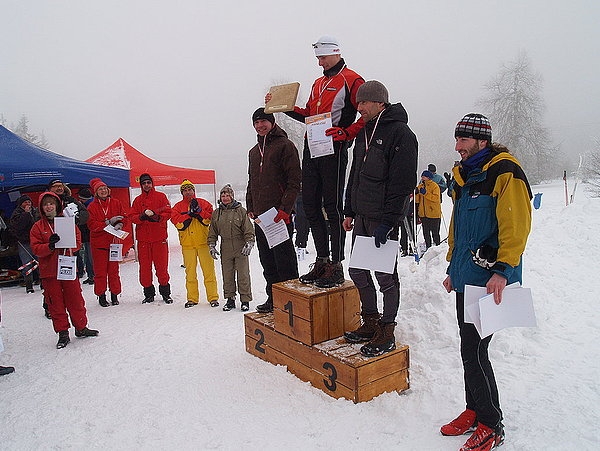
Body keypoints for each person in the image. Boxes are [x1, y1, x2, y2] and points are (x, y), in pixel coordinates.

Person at [441, 113, 532, 451]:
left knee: (476, 350)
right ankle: (474, 409)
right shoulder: (465, 176)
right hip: (467, 278)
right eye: (457, 139)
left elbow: (517, 223)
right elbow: (459, 227)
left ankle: (491, 424)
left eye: (463, 139)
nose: (457, 146)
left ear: (481, 140)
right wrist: (453, 267)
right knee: (469, 349)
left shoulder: (504, 171)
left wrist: (504, 269)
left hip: (489, 280)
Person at [267, 36, 364, 288]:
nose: (319, 63)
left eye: (322, 57)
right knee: (309, 204)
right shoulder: (318, 82)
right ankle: (322, 261)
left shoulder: (352, 79)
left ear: (335, 53)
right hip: (313, 146)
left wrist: (348, 132)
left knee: (332, 207)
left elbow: (366, 114)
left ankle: (337, 264)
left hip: (335, 147)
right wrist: (281, 106)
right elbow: (310, 115)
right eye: (317, 58)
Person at [341, 81, 418, 357]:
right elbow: (355, 175)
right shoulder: (364, 132)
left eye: (363, 103)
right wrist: (349, 210)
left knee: (386, 277)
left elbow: (403, 182)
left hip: (383, 220)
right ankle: (371, 320)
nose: (358, 108)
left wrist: (389, 221)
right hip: (361, 216)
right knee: (357, 271)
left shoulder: (401, 133)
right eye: (358, 103)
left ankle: (387, 329)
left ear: (380, 103)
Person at [247, 108, 301, 313]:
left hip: (279, 217)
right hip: (262, 218)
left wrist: (285, 209)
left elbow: (294, 181)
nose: (260, 125)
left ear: (272, 122)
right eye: (256, 122)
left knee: (284, 261)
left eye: (263, 121)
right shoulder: (253, 152)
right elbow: (252, 181)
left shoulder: (285, 146)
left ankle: (291, 302)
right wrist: (251, 206)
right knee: (267, 261)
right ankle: (273, 298)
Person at [30, 192, 99, 349]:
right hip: (49, 271)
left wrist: (68, 244)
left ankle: (81, 327)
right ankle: (63, 333)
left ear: (57, 205)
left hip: (67, 266)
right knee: (55, 303)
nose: (48, 206)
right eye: (45, 204)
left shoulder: (67, 222)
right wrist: (49, 246)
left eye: (51, 203)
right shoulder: (37, 227)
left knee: (75, 299)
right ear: (42, 208)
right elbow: (35, 248)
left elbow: (77, 241)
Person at [170, 179, 219, 308]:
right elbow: (176, 222)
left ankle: (213, 297)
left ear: (194, 190)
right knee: (190, 273)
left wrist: (199, 213)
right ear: (182, 192)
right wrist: (188, 216)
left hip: (203, 243)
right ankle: (192, 298)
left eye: (189, 189)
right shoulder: (177, 207)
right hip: (188, 245)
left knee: (209, 272)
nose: (187, 192)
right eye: (185, 190)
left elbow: (210, 218)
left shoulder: (204, 203)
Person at [207, 184, 255, 311]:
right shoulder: (217, 213)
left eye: (227, 195)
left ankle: (245, 300)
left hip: (240, 246)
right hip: (226, 247)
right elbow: (213, 231)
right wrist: (212, 245)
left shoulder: (241, 210)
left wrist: (249, 242)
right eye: (223, 195)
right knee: (227, 274)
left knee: (243, 274)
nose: (225, 197)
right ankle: (230, 299)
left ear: (232, 196)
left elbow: (248, 229)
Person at [128, 173, 173, 304]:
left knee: (162, 267)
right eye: (144, 183)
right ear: (141, 185)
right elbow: (131, 216)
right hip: (143, 241)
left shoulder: (161, 197)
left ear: (152, 183)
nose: (146, 185)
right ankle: (148, 294)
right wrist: (141, 217)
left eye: (148, 182)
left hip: (159, 239)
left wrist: (158, 217)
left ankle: (165, 293)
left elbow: (168, 212)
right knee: (145, 268)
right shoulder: (137, 200)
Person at [86, 178, 129, 307]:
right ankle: (101, 295)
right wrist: (107, 222)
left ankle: (115, 294)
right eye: (100, 189)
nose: (103, 191)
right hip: (99, 245)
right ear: (96, 192)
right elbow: (91, 224)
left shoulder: (116, 202)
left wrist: (121, 223)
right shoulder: (92, 206)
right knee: (100, 272)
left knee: (114, 271)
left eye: (104, 188)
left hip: (113, 243)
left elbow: (124, 217)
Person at [9, 195, 40, 293]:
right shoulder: (16, 214)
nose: (28, 204)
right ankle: (29, 284)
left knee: (40, 261)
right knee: (27, 264)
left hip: (36, 240)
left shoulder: (35, 212)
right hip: (24, 242)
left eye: (29, 202)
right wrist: (26, 214)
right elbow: (18, 227)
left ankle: (42, 281)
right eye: (25, 202)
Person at [415, 170, 442, 248]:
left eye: (424, 176)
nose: (422, 178)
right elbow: (417, 200)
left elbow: (436, 198)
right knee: (426, 233)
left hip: (433, 214)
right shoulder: (420, 186)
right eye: (422, 176)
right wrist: (416, 193)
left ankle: (438, 247)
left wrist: (425, 193)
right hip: (423, 214)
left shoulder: (434, 186)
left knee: (435, 232)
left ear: (429, 178)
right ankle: (428, 247)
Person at [76, 188, 95, 285]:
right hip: (86, 235)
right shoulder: (87, 204)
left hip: (90, 235)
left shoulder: (89, 206)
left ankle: (92, 275)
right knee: (88, 256)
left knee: (90, 256)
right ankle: (90, 275)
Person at [293, 188, 310, 258]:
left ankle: (303, 245)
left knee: (305, 230)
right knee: (301, 230)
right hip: (301, 215)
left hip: (305, 214)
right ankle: (300, 246)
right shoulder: (298, 196)